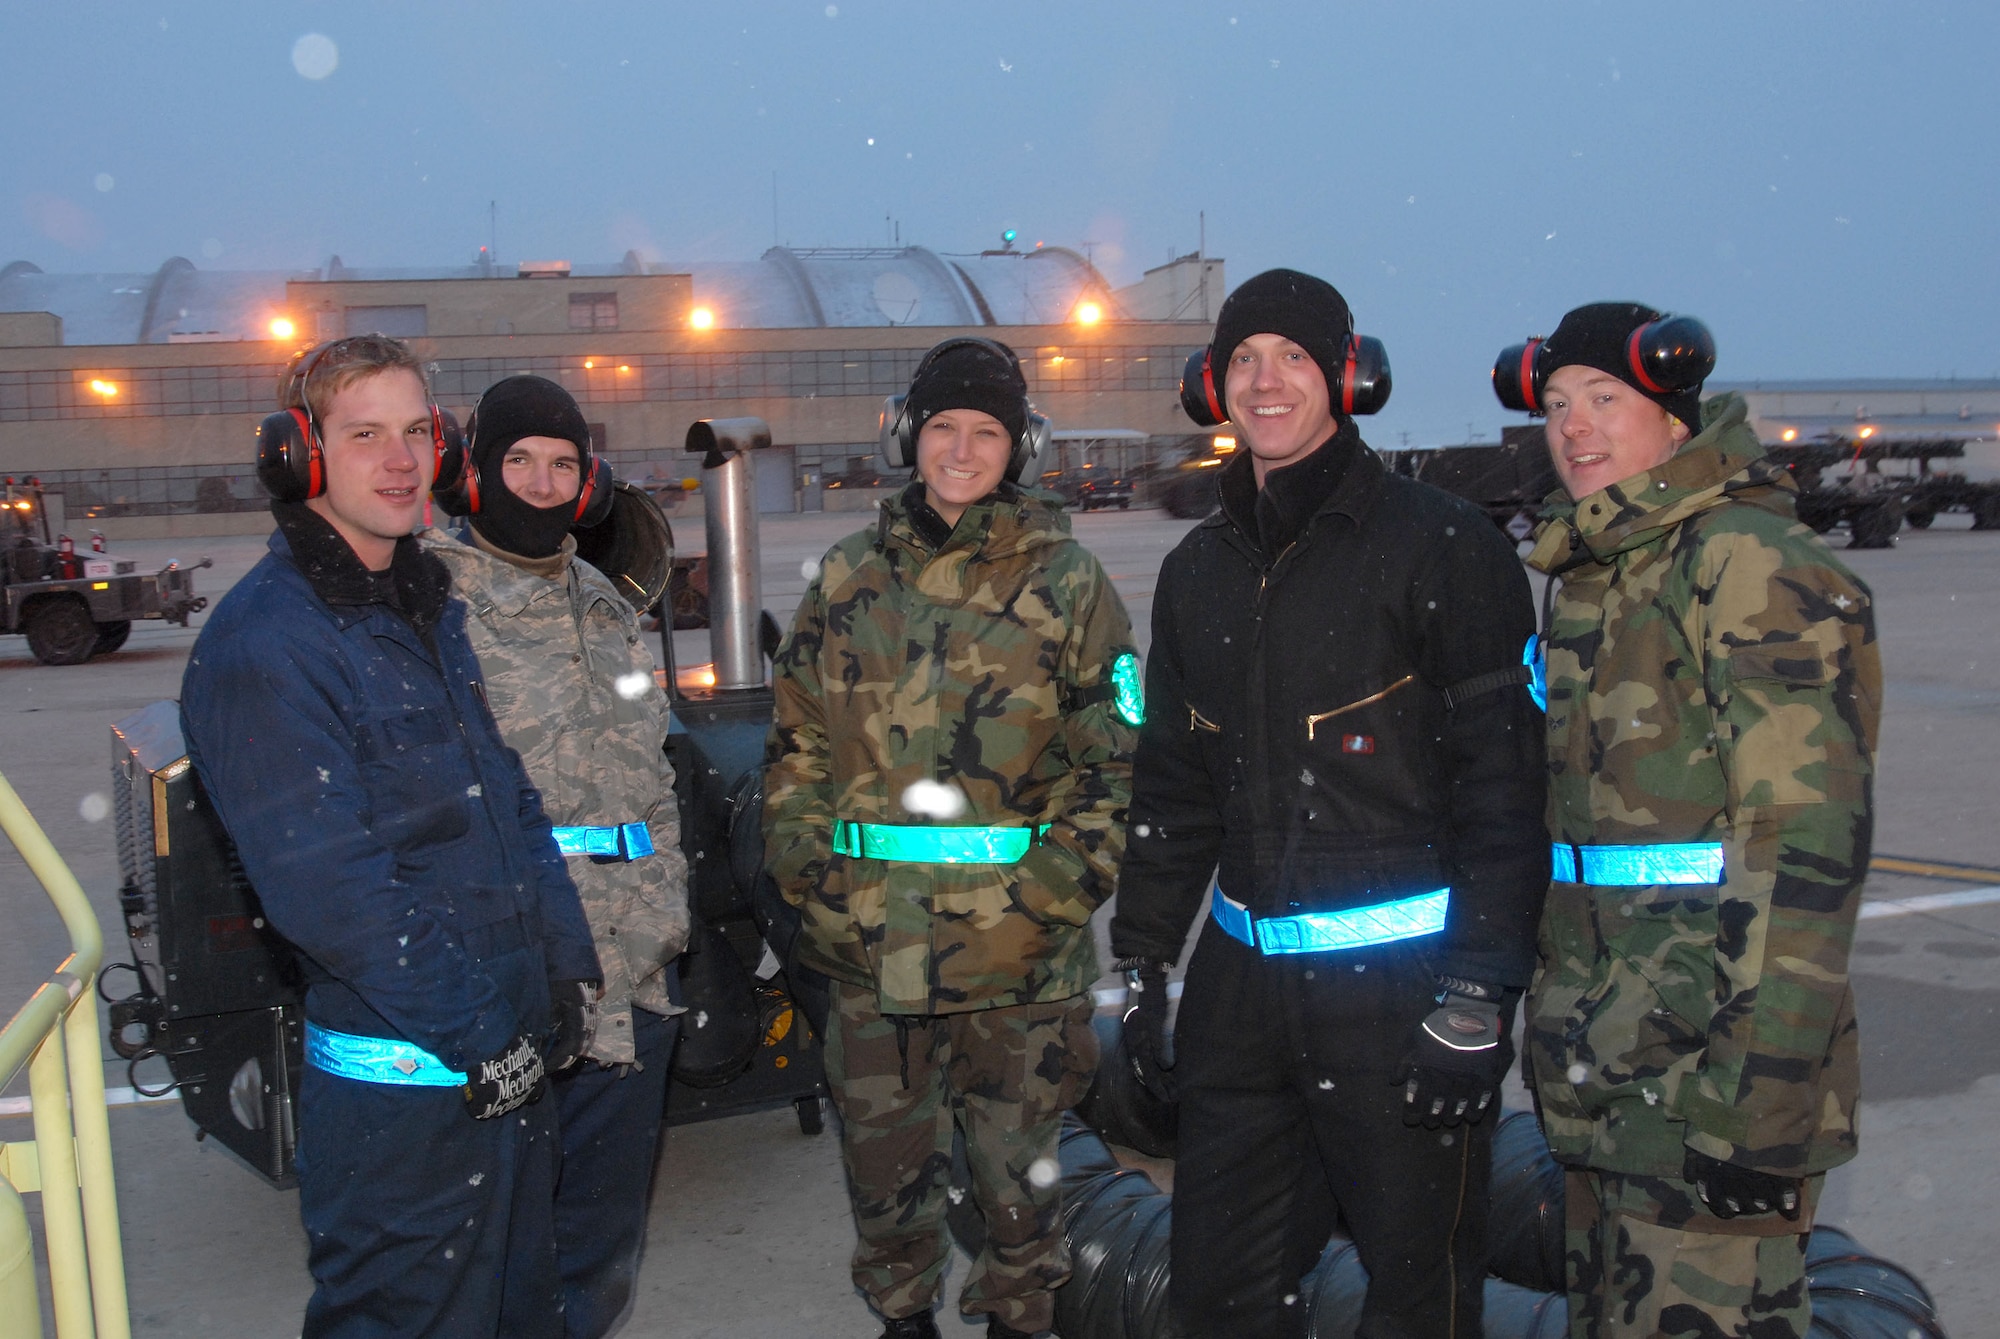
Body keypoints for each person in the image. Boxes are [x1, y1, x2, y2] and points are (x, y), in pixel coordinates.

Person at [1110, 269, 1550, 1338]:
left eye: (1294, 358)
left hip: (1399, 1004)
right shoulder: (1195, 571)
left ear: (1343, 377)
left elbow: (1504, 787)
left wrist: (1477, 994)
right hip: (1239, 1001)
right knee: (1220, 1295)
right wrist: (1136, 965)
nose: (1265, 382)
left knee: (1417, 1299)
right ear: (1211, 383)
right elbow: (1173, 786)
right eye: (1243, 360)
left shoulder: (1444, 545)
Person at [181, 335, 601, 1337]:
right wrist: (483, 1033)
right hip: (405, 1100)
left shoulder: (423, 609)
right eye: (365, 433)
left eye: (417, 431)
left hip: (506, 1063)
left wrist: (564, 968)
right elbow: (333, 890)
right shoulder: (268, 642)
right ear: (302, 455)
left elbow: (506, 802)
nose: (401, 459)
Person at [1499, 303, 1881, 1338]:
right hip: (1607, 1071)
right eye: (1556, 405)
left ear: (1674, 418)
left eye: (1604, 399)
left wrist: (1752, 1107)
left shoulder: (1744, 562)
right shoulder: (1601, 570)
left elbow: (1801, 852)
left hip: (1702, 1084)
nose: (1573, 426)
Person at [761, 337, 1140, 1339]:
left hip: (1022, 965)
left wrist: (1050, 899)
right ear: (905, 436)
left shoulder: (1067, 582)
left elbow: (1113, 766)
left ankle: (1020, 1321)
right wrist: (812, 878)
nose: (961, 451)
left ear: (1018, 448)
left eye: (985, 433)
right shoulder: (846, 577)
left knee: (1023, 1193)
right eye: (942, 429)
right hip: (870, 952)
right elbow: (794, 739)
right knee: (885, 1184)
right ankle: (903, 1319)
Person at [421, 374, 691, 1339]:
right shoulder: (428, 602)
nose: (539, 483)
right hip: (516, 980)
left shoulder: (601, 601)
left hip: (634, 975)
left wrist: (667, 923)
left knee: (598, 1251)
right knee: (496, 1252)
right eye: (519, 461)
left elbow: (649, 775)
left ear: (588, 482)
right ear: (476, 471)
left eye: (562, 464)